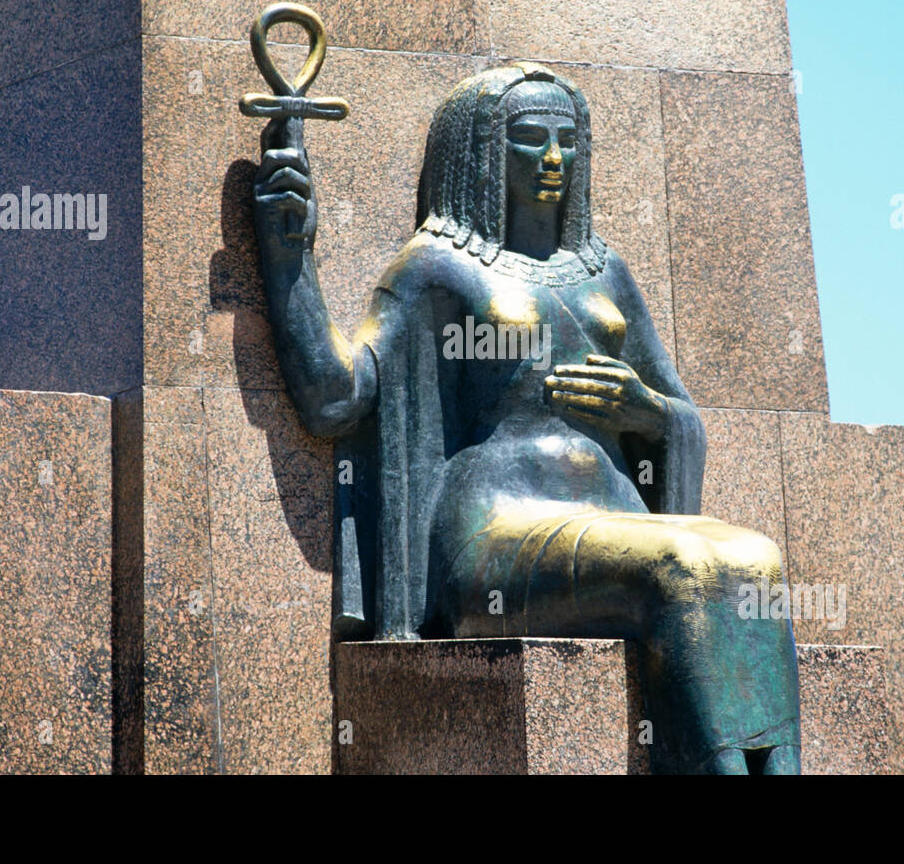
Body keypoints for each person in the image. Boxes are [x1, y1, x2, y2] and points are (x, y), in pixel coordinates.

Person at [252, 61, 800, 774]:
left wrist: (650, 411)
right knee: (685, 564)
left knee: (757, 560)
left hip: (620, 522)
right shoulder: (437, 267)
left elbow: (680, 416)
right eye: (530, 139)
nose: (553, 159)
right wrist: (288, 255)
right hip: (497, 532)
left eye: (567, 141)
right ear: (481, 152)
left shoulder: (608, 274)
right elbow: (336, 395)